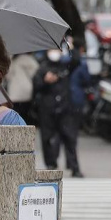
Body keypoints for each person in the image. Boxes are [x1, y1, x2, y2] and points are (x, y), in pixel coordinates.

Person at [34, 43, 92, 177]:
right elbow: (36, 86)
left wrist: (71, 47)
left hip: (65, 108)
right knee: (47, 138)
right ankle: (51, 164)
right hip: (47, 108)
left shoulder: (65, 66)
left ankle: (74, 167)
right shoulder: (42, 67)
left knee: (70, 138)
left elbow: (77, 60)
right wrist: (45, 81)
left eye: (57, 49)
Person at [5, 53, 39, 123]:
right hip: (23, 93)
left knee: (17, 115)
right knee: (24, 115)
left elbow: (7, 76)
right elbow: (36, 73)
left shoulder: (15, 60)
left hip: (17, 93)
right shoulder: (27, 59)